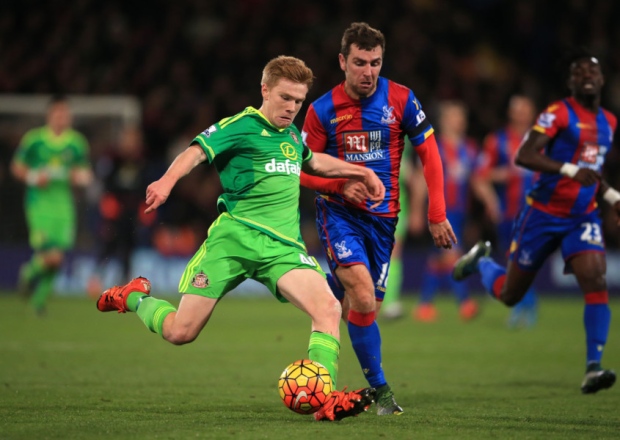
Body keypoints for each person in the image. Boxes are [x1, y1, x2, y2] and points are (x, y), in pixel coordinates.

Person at [96, 56, 384, 422]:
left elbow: (315, 163)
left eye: (298, 101)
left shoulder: (293, 137)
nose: (292, 108)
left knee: (327, 308)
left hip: (281, 249)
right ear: (265, 90)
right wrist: (167, 182)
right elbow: (195, 152)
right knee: (181, 332)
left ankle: (323, 399)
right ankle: (134, 296)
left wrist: (360, 172)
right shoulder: (242, 125)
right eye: (285, 98)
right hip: (232, 241)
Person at [300, 23, 456, 415]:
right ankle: (382, 392)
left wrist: (436, 213)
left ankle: (325, 300)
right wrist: (338, 186)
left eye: (375, 63)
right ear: (342, 62)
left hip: (384, 223)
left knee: (356, 305)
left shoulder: (401, 99)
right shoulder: (322, 110)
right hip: (338, 215)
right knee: (365, 299)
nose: (368, 71)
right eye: (359, 63)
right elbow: (298, 169)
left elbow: (431, 155)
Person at [453, 49, 618, 394]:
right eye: (579, 70)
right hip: (541, 213)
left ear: (602, 80)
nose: (587, 74)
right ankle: (481, 263)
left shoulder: (609, 122)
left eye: (593, 70)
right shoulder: (559, 113)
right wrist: (569, 170)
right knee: (511, 294)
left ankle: (593, 366)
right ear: (572, 81)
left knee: (595, 278)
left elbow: (594, 171)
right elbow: (524, 155)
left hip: (581, 215)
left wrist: (613, 197)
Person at [11, 95, 93, 315]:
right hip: (39, 204)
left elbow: (84, 172)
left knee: (57, 259)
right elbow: (17, 167)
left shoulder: (76, 142)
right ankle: (28, 273)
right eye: (58, 113)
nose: (62, 118)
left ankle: (38, 302)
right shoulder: (34, 140)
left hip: (63, 206)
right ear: (50, 115)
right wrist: (33, 177)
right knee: (51, 256)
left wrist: (81, 177)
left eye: (65, 114)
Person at [409, 100, 480, 322]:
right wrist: (416, 212)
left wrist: (489, 202)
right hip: (440, 211)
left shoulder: (469, 148)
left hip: (460, 211)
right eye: (455, 116)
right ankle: (464, 303)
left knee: (439, 259)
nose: (460, 121)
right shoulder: (435, 146)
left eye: (461, 116)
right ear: (445, 120)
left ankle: (424, 305)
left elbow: (477, 179)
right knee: (453, 255)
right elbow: (421, 179)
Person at [472, 95, 539, 328]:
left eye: (525, 109)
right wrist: (492, 200)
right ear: (511, 113)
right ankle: (524, 307)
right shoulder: (497, 140)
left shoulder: (544, 141)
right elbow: (480, 175)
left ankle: (524, 308)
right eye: (517, 110)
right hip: (509, 213)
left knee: (525, 258)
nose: (521, 114)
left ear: (532, 112)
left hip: (537, 212)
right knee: (514, 261)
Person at [88, 126, 154, 296]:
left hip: (131, 214)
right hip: (114, 212)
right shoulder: (113, 159)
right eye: (128, 139)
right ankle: (95, 279)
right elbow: (105, 185)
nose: (131, 144)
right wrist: (107, 204)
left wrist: (145, 207)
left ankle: (124, 285)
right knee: (107, 246)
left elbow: (145, 187)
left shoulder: (142, 161)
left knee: (128, 249)